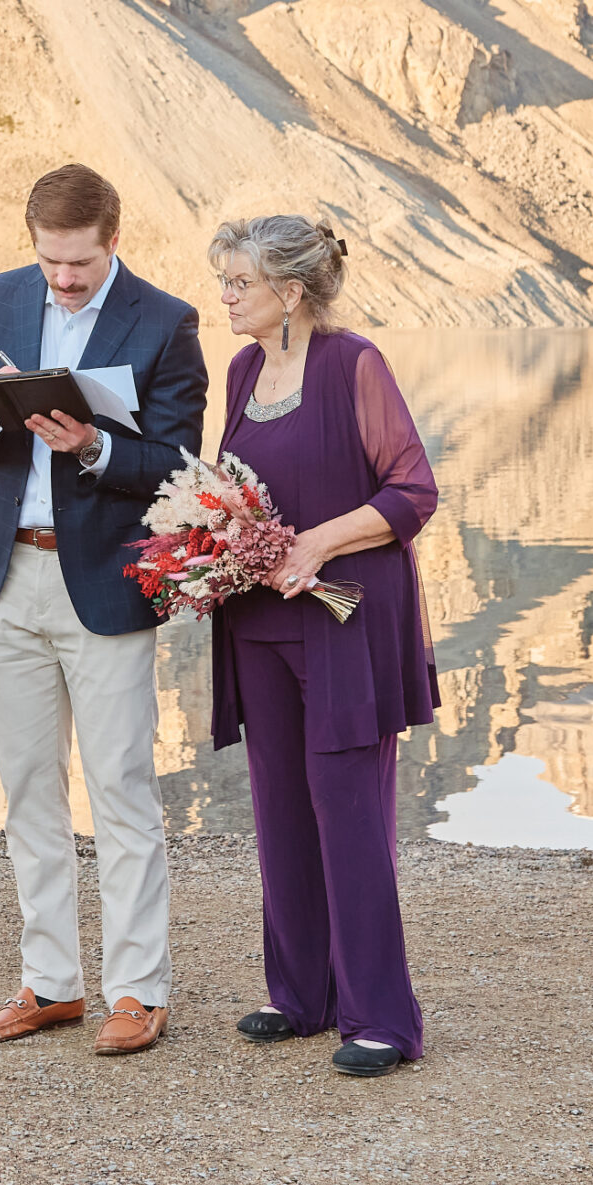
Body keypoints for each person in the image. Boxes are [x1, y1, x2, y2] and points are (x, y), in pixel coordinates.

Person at [0, 163, 208, 1056]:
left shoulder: (166, 322)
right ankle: (50, 982)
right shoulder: (0, 297)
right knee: (28, 792)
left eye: (79, 263)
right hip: (3, 576)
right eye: (51, 261)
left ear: (113, 240)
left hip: (104, 584)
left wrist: (94, 447)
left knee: (122, 789)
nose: (63, 279)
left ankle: (137, 991)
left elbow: (177, 464)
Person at [208, 214, 438, 1079]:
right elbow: (235, 487)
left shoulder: (354, 365)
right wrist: (219, 546)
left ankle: (382, 1015)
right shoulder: (241, 369)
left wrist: (318, 544)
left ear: (291, 291)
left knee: (348, 808)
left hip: (345, 615)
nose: (226, 296)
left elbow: (414, 490)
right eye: (225, 280)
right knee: (278, 804)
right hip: (259, 621)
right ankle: (300, 995)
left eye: (240, 282)